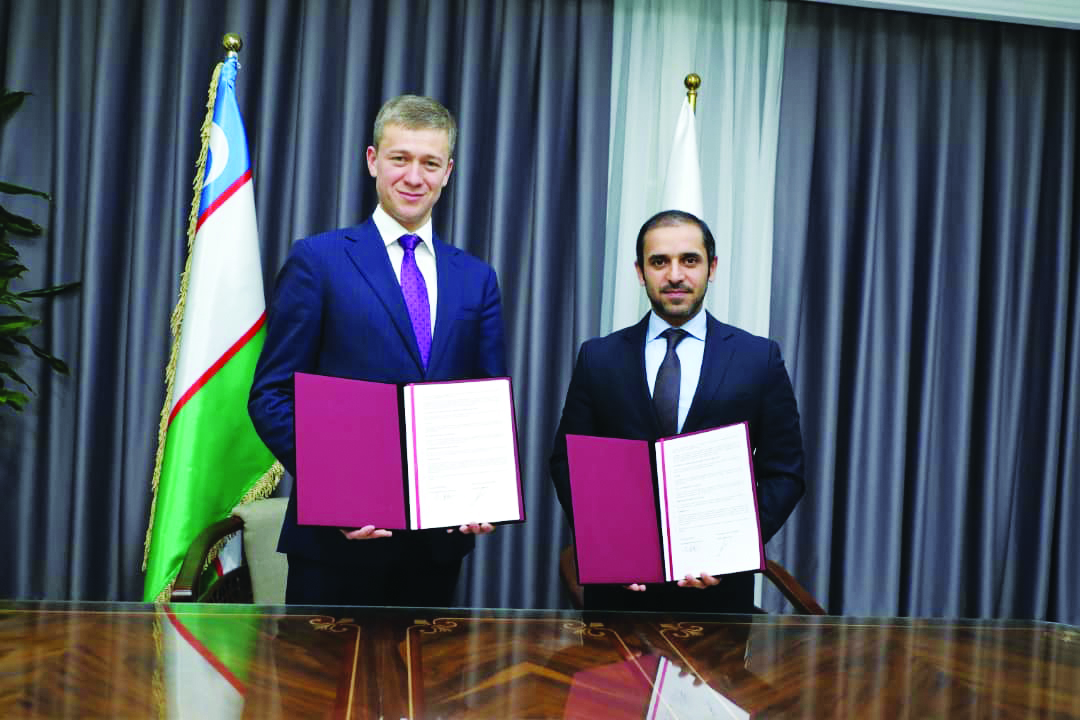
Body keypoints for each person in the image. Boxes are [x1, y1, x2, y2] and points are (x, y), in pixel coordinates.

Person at [249, 94, 506, 607]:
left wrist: (484, 491)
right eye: (400, 158)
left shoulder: (476, 278)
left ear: (448, 171)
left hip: (436, 551)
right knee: (324, 690)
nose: (414, 176)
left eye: (430, 163)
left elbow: (484, 402)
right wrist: (335, 490)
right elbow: (271, 396)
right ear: (372, 161)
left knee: (424, 689)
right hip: (334, 550)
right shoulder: (318, 260)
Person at [549, 209, 804, 613]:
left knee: (712, 680)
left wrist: (731, 546)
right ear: (640, 271)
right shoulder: (598, 358)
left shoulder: (758, 358)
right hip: (619, 593)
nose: (674, 275)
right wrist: (608, 544)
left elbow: (785, 471)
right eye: (659, 261)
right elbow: (568, 462)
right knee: (613, 679)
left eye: (689, 260)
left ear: (711, 267)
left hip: (719, 593)